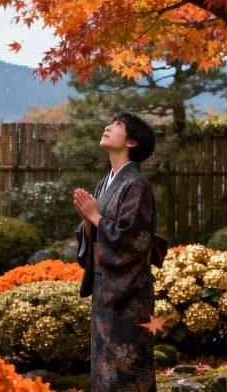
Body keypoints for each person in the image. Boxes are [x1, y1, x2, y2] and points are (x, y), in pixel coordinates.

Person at [73, 112, 157, 391]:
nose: (108, 127)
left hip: (128, 292)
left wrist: (95, 216)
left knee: (127, 369)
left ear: (132, 141)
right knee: (103, 367)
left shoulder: (137, 184)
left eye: (118, 125)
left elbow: (134, 240)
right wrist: (88, 220)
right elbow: (92, 236)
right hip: (104, 284)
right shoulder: (105, 183)